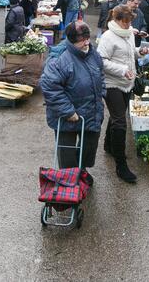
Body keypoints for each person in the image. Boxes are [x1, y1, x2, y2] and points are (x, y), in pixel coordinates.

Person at [39, 21, 105, 179]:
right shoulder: (59, 58)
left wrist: (102, 91)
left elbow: (100, 72)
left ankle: (81, 171)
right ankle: (68, 178)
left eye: (88, 38)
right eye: (82, 40)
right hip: (69, 115)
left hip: (90, 110)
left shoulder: (92, 53)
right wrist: (68, 112)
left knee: (88, 146)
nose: (87, 42)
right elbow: (49, 86)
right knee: (66, 151)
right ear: (71, 40)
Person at [97, 5, 149, 183]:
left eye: (130, 21)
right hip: (112, 83)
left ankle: (109, 145)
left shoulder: (128, 33)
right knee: (120, 121)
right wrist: (122, 70)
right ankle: (121, 166)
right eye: (126, 21)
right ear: (118, 19)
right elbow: (101, 61)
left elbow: (128, 53)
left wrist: (139, 51)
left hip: (127, 83)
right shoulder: (107, 37)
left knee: (116, 115)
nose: (129, 25)